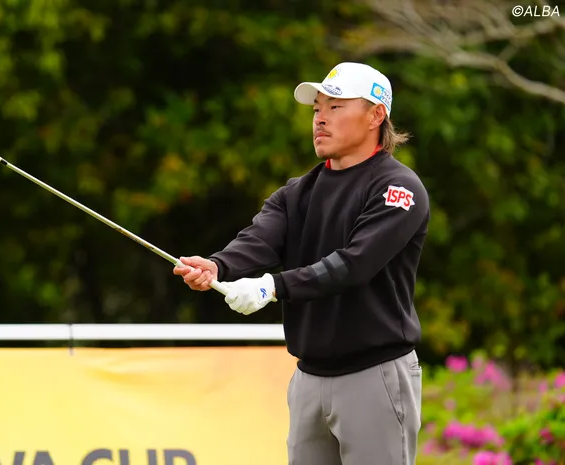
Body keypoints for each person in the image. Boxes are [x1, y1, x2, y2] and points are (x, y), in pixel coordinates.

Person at [173, 62, 429, 465]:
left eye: (335, 107)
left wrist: (272, 287)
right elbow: (259, 240)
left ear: (376, 115)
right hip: (309, 378)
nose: (320, 119)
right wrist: (217, 267)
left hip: (375, 374)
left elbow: (354, 264)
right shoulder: (297, 193)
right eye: (316, 109)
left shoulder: (398, 189)